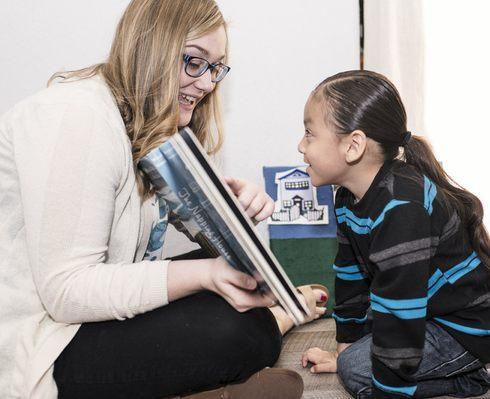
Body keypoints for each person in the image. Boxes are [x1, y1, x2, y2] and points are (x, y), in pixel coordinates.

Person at [0, 1, 326, 398]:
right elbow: (67, 293)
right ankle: (256, 350)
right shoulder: (77, 118)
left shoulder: (148, 124)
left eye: (215, 68)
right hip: (46, 343)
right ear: (149, 49)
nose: (207, 84)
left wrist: (232, 212)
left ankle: (248, 353)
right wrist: (207, 274)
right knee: (236, 328)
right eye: (193, 62)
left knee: (249, 281)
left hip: (92, 317)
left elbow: (194, 239)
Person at [298, 70, 490, 399]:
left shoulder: (402, 207)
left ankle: (483, 371)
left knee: (360, 372)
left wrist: (378, 385)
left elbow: (400, 312)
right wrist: (344, 350)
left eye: (309, 134)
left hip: (469, 329)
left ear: (353, 146)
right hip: (427, 311)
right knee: (356, 358)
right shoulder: (347, 198)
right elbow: (350, 276)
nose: (300, 145)